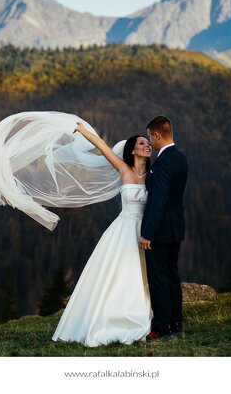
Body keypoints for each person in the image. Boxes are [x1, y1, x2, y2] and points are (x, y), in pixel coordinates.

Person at [51, 122, 153, 346]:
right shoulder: (124, 170)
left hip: (145, 231)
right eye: (142, 143)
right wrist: (83, 130)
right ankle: (110, 316)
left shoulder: (153, 175)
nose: (147, 146)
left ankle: (139, 313)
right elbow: (103, 147)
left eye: (148, 143)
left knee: (142, 275)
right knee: (119, 274)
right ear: (133, 149)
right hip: (124, 230)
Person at [139, 115, 189, 339]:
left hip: (159, 230)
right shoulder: (180, 158)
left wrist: (148, 233)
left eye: (150, 137)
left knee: (158, 277)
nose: (150, 142)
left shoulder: (164, 162)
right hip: (175, 227)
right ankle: (176, 321)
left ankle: (161, 326)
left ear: (157, 134)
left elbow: (158, 200)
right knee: (171, 275)